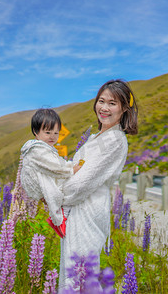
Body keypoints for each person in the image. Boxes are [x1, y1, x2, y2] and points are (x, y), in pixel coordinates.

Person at [58, 79, 138, 289]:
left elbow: (81, 183)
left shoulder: (114, 140)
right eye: (101, 101)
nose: (104, 108)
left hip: (88, 211)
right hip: (77, 209)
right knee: (73, 273)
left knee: (79, 277)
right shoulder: (97, 137)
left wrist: (55, 196)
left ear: (124, 109)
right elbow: (75, 171)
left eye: (112, 103)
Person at [19, 108, 83, 231]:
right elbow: (54, 167)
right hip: (38, 184)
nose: (52, 137)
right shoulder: (37, 150)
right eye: (48, 133)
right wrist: (71, 170)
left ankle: (60, 217)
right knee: (56, 197)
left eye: (56, 133)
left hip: (41, 180)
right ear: (36, 132)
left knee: (58, 192)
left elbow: (58, 163)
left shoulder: (44, 147)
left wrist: (69, 165)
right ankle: (59, 221)